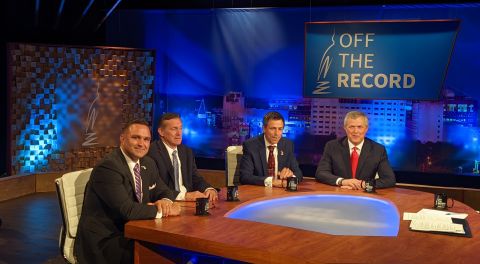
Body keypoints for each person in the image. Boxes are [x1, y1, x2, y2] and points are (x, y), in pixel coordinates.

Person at [75, 120, 181, 264]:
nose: (141, 144)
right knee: (161, 255)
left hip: (133, 231)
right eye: (135, 137)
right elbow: (128, 210)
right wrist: (165, 211)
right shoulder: (108, 167)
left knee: (173, 249)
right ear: (122, 138)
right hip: (107, 239)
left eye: (146, 139)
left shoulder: (147, 163)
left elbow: (164, 190)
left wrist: (166, 202)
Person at [148, 113, 218, 205]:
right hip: (168, 203)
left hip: (188, 203)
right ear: (161, 132)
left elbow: (195, 178)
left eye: (180, 128)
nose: (179, 133)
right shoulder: (152, 152)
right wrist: (185, 196)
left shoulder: (186, 152)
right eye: (174, 129)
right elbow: (157, 187)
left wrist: (208, 189)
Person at [315, 111, 396, 189]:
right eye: (351, 127)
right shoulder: (332, 146)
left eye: (360, 127)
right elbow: (321, 173)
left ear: (366, 129)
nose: (355, 131)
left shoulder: (378, 150)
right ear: (345, 128)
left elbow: (389, 179)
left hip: (365, 196)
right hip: (339, 193)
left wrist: (362, 184)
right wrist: (342, 181)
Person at [240, 111, 303, 187]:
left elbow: (299, 174)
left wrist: (290, 176)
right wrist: (271, 182)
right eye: (273, 129)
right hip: (259, 192)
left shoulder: (287, 145)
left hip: (281, 193)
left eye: (280, 129)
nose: (276, 133)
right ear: (264, 128)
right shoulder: (251, 145)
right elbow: (245, 177)